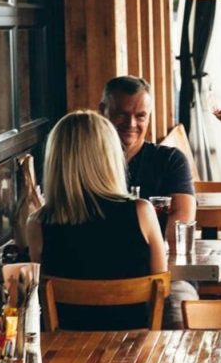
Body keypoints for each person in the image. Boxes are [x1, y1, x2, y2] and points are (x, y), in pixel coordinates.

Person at [26, 110, 167, 330]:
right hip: (134, 347)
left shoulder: (38, 223)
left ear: (56, 160)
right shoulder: (141, 211)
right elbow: (162, 286)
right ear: (109, 157)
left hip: (66, 349)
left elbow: (39, 292)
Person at [99, 75, 198, 327]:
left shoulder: (170, 160)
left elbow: (181, 221)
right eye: (121, 114)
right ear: (102, 112)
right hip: (99, 277)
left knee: (178, 318)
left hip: (168, 277)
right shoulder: (89, 164)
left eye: (140, 116)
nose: (131, 124)